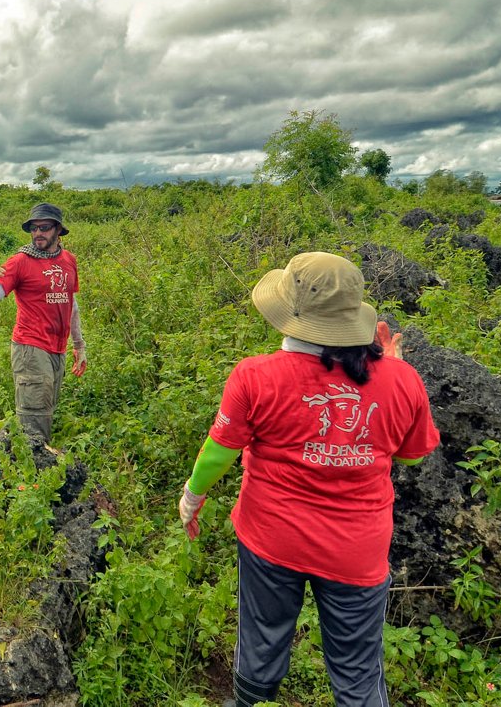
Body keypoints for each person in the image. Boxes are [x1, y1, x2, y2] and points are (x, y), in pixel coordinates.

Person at [176, 252, 438, 707]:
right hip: (357, 551)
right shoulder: (402, 379)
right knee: (358, 668)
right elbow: (413, 456)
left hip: (271, 539)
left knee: (260, 644)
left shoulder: (255, 376)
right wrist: (396, 371)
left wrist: (191, 498)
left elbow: (220, 450)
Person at [0, 203, 85, 443]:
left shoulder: (68, 260)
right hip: (31, 347)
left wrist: (79, 344)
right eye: (33, 228)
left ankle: (40, 467)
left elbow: (71, 303)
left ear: (58, 230)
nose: (38, 233)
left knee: (47, 409)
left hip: (58, 349)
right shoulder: (20, 261)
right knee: (33, 418)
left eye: (44, 227)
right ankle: (33, 474)